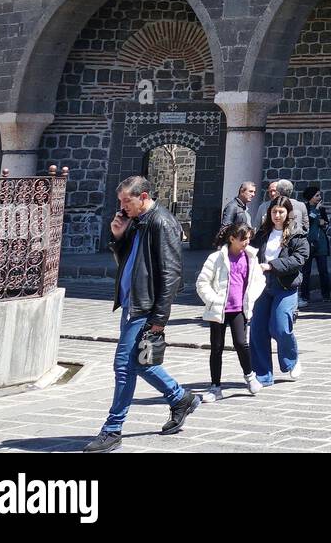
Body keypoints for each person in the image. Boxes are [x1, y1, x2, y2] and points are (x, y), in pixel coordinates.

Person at [83, 176, 200, 453]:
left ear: (143, 196)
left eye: (127, 201)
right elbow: (130, 262)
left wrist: (159, 319)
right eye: (121, 201)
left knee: (123, 366)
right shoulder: (137, 222)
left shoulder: (162, 222)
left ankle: (112, 429)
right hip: (132, 303)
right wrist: (119, 236)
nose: (123, 207)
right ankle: (180, 397)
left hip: (145, 307)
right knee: (140, 363)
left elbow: (171, 273)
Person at [195, 221, 265, 401]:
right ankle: (215, 387)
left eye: (248, 239)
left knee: (242, 343)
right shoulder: (216, 258)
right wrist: (213, 299)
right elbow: (202, 282)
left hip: (239, 309)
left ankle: (250, 376)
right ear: (232, 238)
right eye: (243, 239)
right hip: (219, 310)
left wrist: (250, 298)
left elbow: (258, 280)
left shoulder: (251, 258)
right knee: (216, 348)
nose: (246, 243)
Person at [250, 198, 309, 385]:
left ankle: (291, 361)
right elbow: (250, 252)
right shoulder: (262, 234)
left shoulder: (297, 235)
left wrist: (271, 266)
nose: (277, 216)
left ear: (288, 213)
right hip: (261, 286)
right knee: (257, 330)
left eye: (281, 212)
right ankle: (263, 375)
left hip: (285, 286)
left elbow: (299, 259)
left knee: (280, 326)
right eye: (274, 211)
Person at [302, 187, 331, 305]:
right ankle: (305, 295)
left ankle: (326, 294)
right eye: (317, 195)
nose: (319, 198)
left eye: (319, 195)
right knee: (306, 271)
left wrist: (324, 223)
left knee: (323, 271)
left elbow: (326, 223)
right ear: (311, 197)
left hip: (321, 243)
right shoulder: (304, 207)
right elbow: (307, 220)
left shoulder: (322, 209)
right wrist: (315, 212)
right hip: (308, 243)